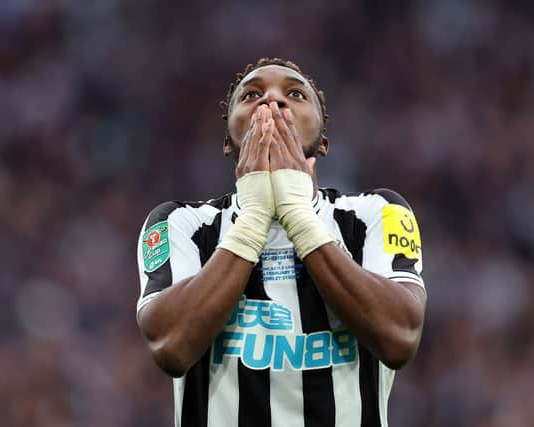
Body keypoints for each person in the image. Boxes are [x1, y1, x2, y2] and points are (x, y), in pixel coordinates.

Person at [136, 57, 427, 427]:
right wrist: (254, 215)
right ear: (228, 142)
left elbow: (400, 336)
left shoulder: (375, 213)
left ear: (323, 142)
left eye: (294, 93)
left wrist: (298, 215)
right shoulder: (181, 223)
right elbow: (170, 346)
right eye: (252, 94)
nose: (271, 102)